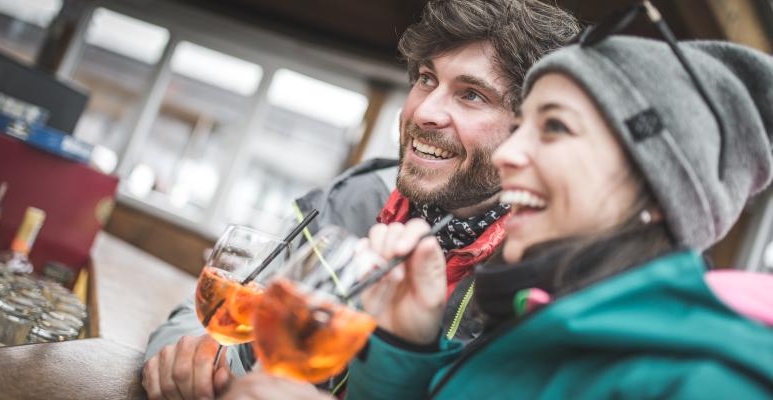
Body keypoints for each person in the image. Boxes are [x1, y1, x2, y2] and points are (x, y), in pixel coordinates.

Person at [218, 14, 773, 400]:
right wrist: (406, 347)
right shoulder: (539, 313)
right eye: (425, 80)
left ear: (658, 188)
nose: (508, 154)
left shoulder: (708, 381)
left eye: (553, 127)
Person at [142, 1, 579, 399]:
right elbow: (209, 317)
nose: (425, 110)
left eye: (471, 94)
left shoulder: (550, 281)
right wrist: (191, 359)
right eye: (427, 79)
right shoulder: (351, 198)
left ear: (530, 130)